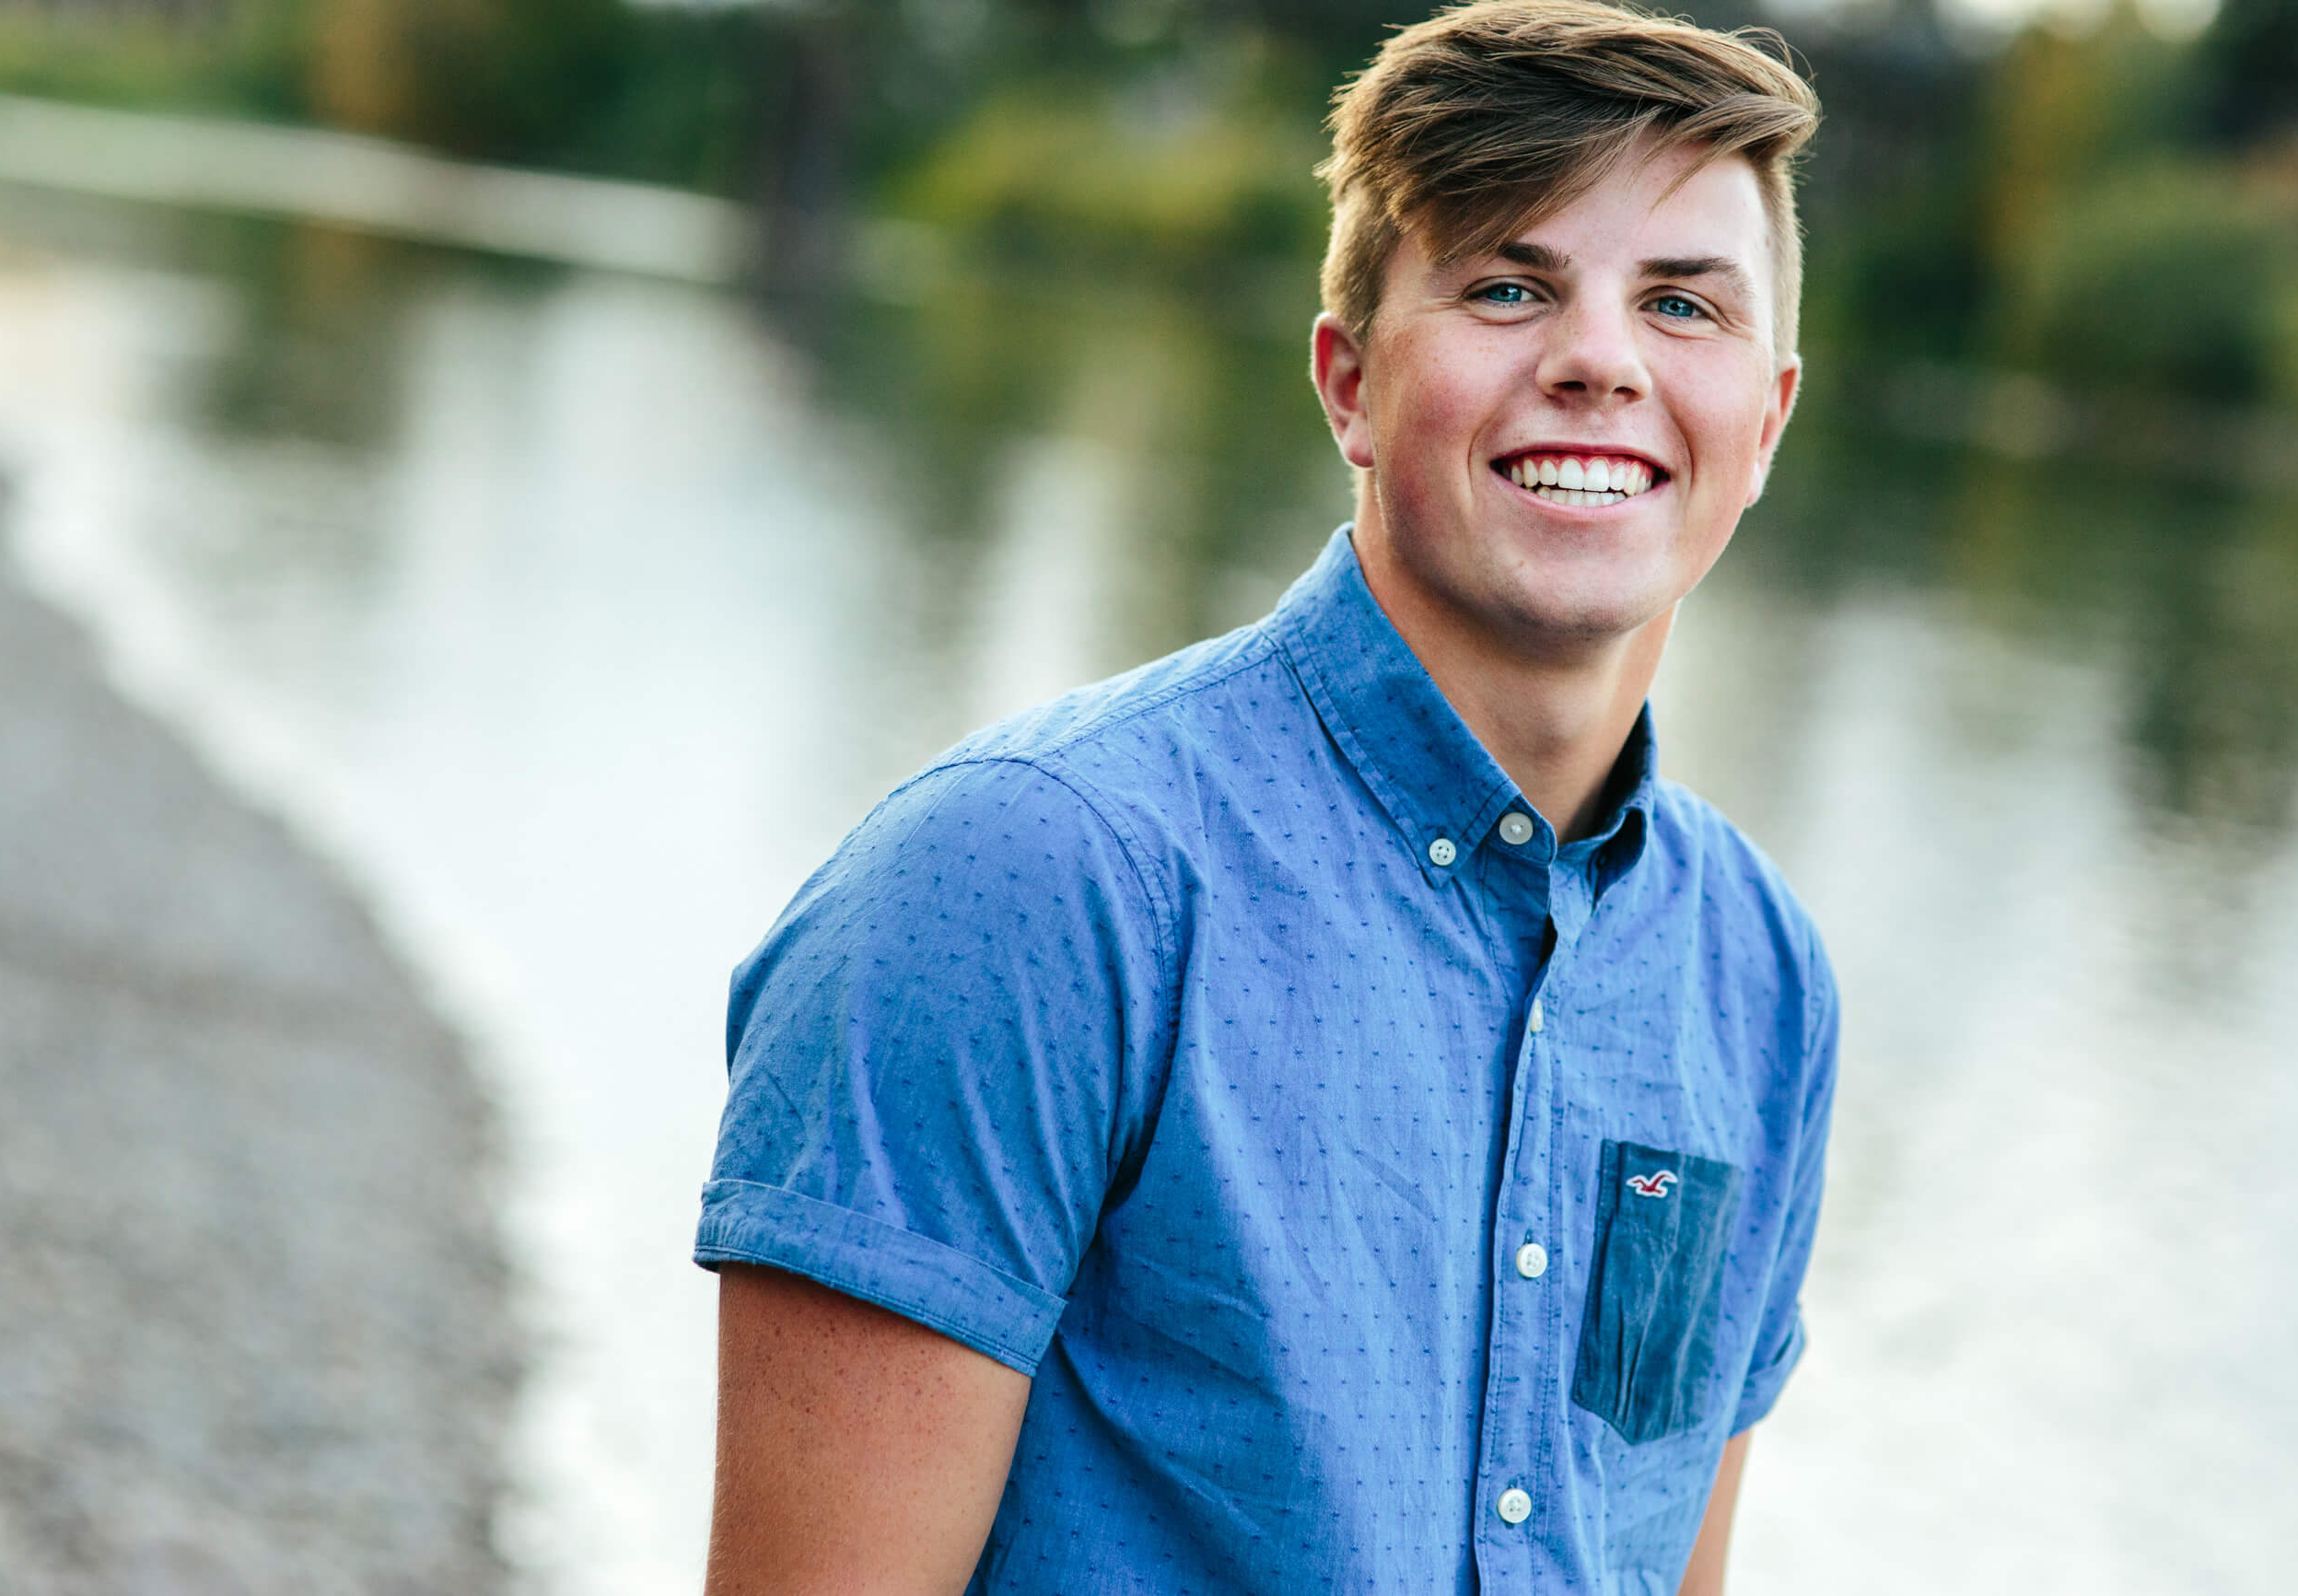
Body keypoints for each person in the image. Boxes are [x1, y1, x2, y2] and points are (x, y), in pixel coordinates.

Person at [694, 2, 1836, 1590]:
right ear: (1350, 384)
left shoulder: (1761, 981)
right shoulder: (1028, 881)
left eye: (1684, 306)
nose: (1600, 359)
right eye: (1509, 285)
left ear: (1766, 420)